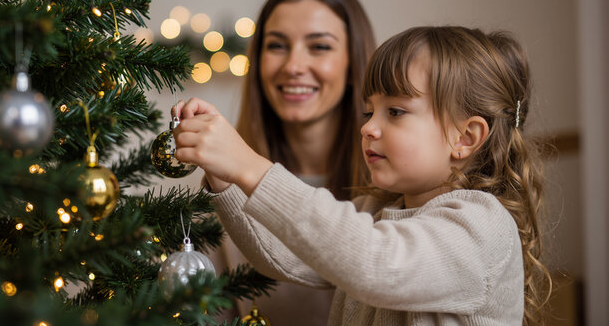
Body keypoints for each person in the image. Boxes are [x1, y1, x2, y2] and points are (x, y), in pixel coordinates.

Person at [174, 26, 552, 325]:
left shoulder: (481, 226)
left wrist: (250, 165)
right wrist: (225, 177)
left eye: (396, 112)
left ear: (465, 137)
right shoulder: (379, 209)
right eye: (370, 111)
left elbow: (375, 261)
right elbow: (288, 252)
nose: (369, 128)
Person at [204, 0, 376, 324]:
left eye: (320, 46)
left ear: (352, 62)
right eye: (277, 45)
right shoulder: (220, 187)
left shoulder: (397, 195)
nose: (294, 66)